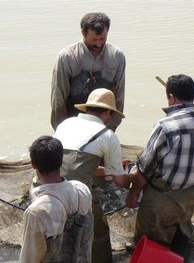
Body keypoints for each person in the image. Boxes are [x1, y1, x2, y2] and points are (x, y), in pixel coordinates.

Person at [126, 75, 194, 250]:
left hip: (162, 198)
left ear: (172, 97)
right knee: (180, 244)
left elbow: (146, 168)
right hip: (191, 197)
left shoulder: (165, 126)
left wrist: (133, 194)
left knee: (150, 246)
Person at [54, 88, 131, 263]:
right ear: (108, 113)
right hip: (78, 195)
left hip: (52, 188)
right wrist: (132, 177)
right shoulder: (108, 135)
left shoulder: (65, 124)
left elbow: (75, 165)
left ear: (87, 109)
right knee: (100, 231)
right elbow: (120, 181)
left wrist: (108, 170)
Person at [19, 136, 93, 263]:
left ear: (33, 164)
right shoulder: (82, 190)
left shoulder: (37, 211)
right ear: (61, 161)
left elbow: (29, 258)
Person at [51, 12, 126, 132]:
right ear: (83, 33)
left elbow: (119, 97)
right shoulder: (66, 57)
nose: (98, 43)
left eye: (103, 38)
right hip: (72, 124)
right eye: (94, 39)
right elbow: (58, 99)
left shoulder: (117, 56)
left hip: (104, 127)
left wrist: (109, 130)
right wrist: (61, 130)